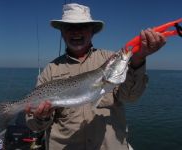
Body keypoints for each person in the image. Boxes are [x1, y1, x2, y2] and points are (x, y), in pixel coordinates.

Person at [25, 3, 166, 150]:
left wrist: (138, 60)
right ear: (62, 32)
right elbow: (34, 125)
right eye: (69, 27)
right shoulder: (50, 70)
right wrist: (42, 117)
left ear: (92, 31)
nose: (76, 32)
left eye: (82, 26)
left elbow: (130, 97)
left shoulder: (110, 58)